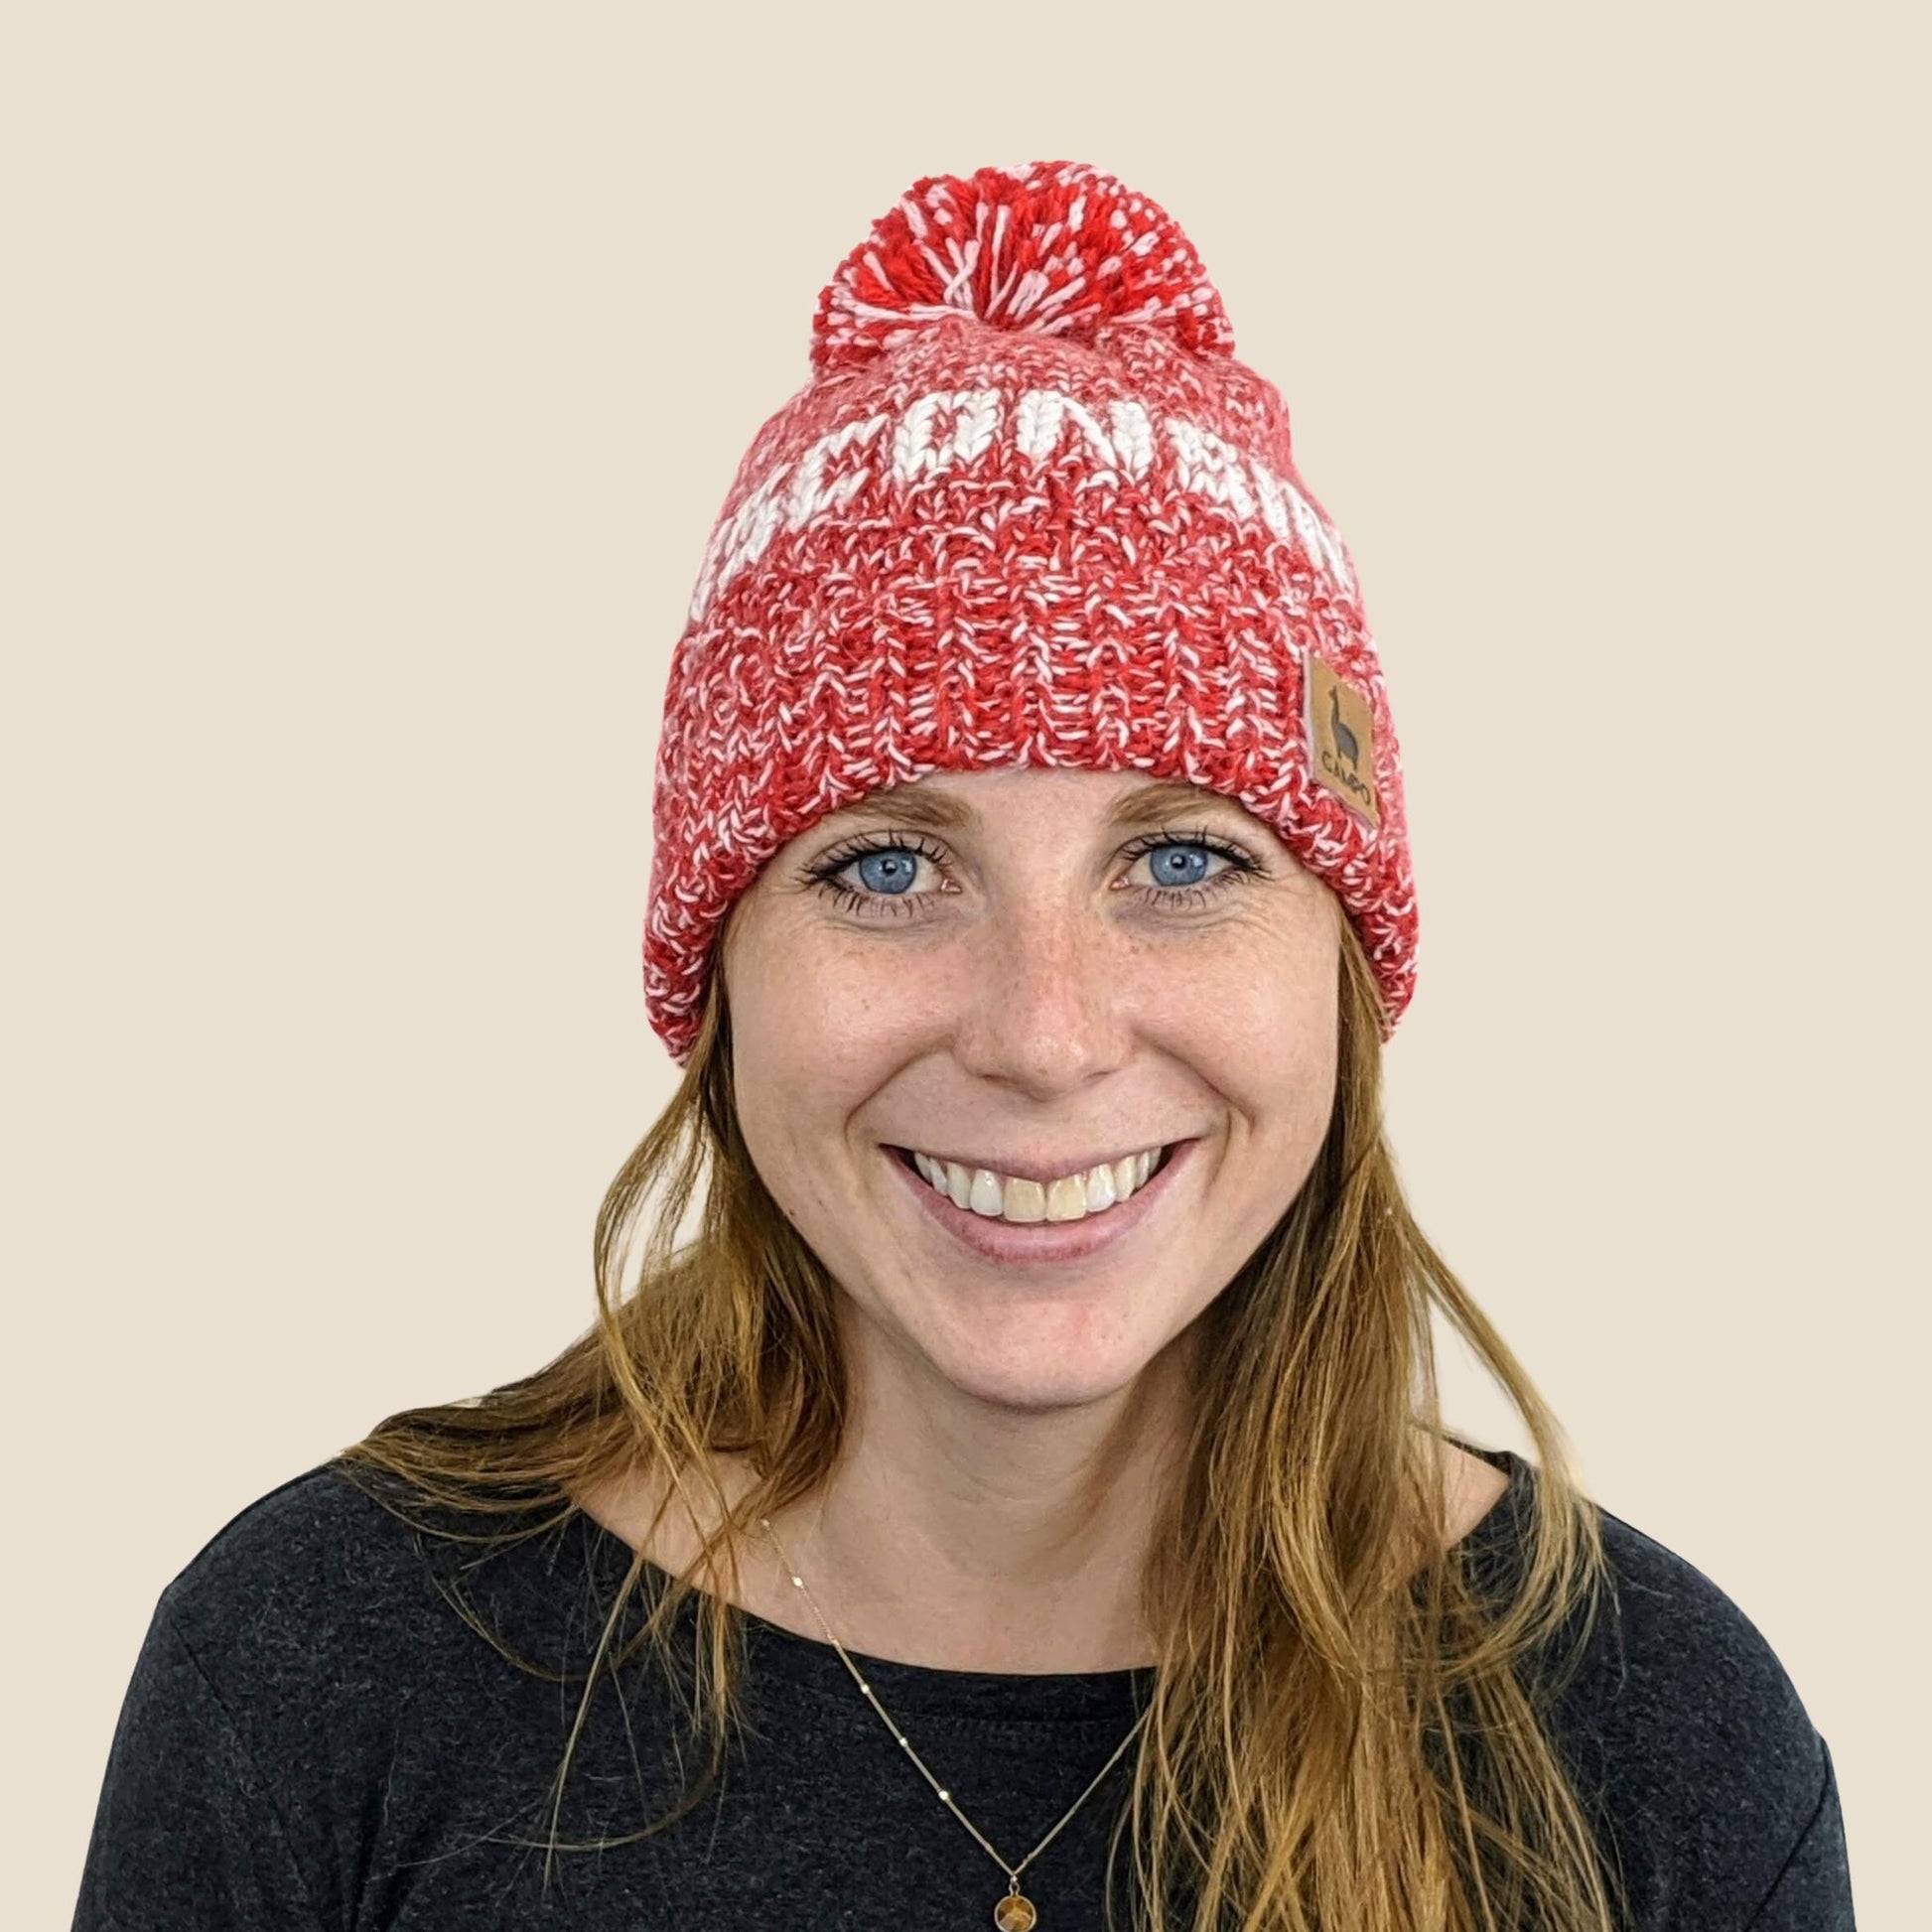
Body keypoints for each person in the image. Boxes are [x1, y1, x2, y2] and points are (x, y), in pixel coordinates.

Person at [71, 159, 1854, 1932]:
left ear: (1342, 959)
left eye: (1180, 860)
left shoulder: (1650, 1752)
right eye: (887, 864)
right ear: (719, 970)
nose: (1043, 1033)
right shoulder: (326, 1674)